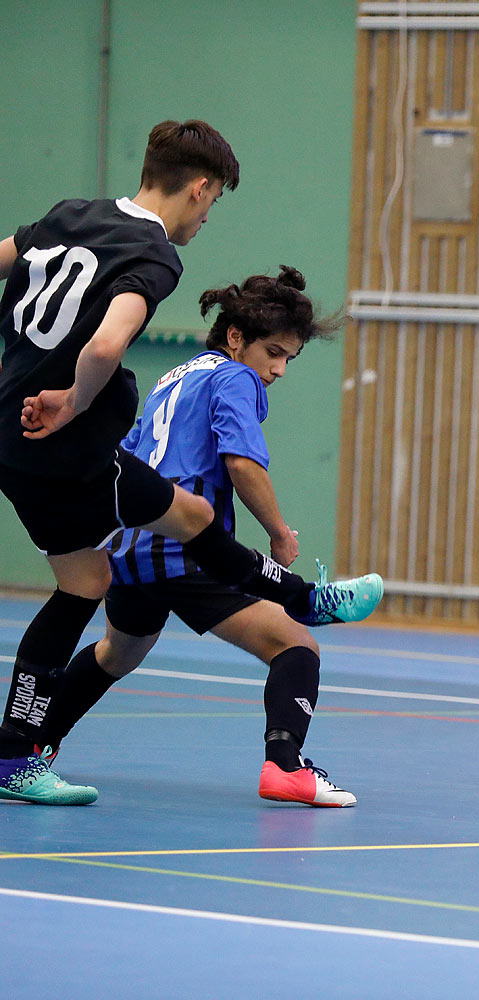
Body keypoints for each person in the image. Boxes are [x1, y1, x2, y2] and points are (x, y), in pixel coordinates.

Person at [0, 120, 383, 806]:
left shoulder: (72, 216)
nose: (208, 217)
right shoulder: (155, 255)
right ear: (199, 188)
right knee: (202, 523)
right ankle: (306, 605)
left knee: (88, 586)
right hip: (70, 441)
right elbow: (104, 347)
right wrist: (73, 401)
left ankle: (16, 753)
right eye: (214, 203)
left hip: (10, 431)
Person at [38, 267, 356, 806]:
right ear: (236, 337)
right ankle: (286, 768)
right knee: (296, 643)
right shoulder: (237, 379)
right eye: (273, 352)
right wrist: (278, 534)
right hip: (187, 546)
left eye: (288, 359)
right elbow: (241, 462)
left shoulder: (174, 378)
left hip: (132, 547)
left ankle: (34, 747)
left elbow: (130, 457)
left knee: (118, 651)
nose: (277, 370)